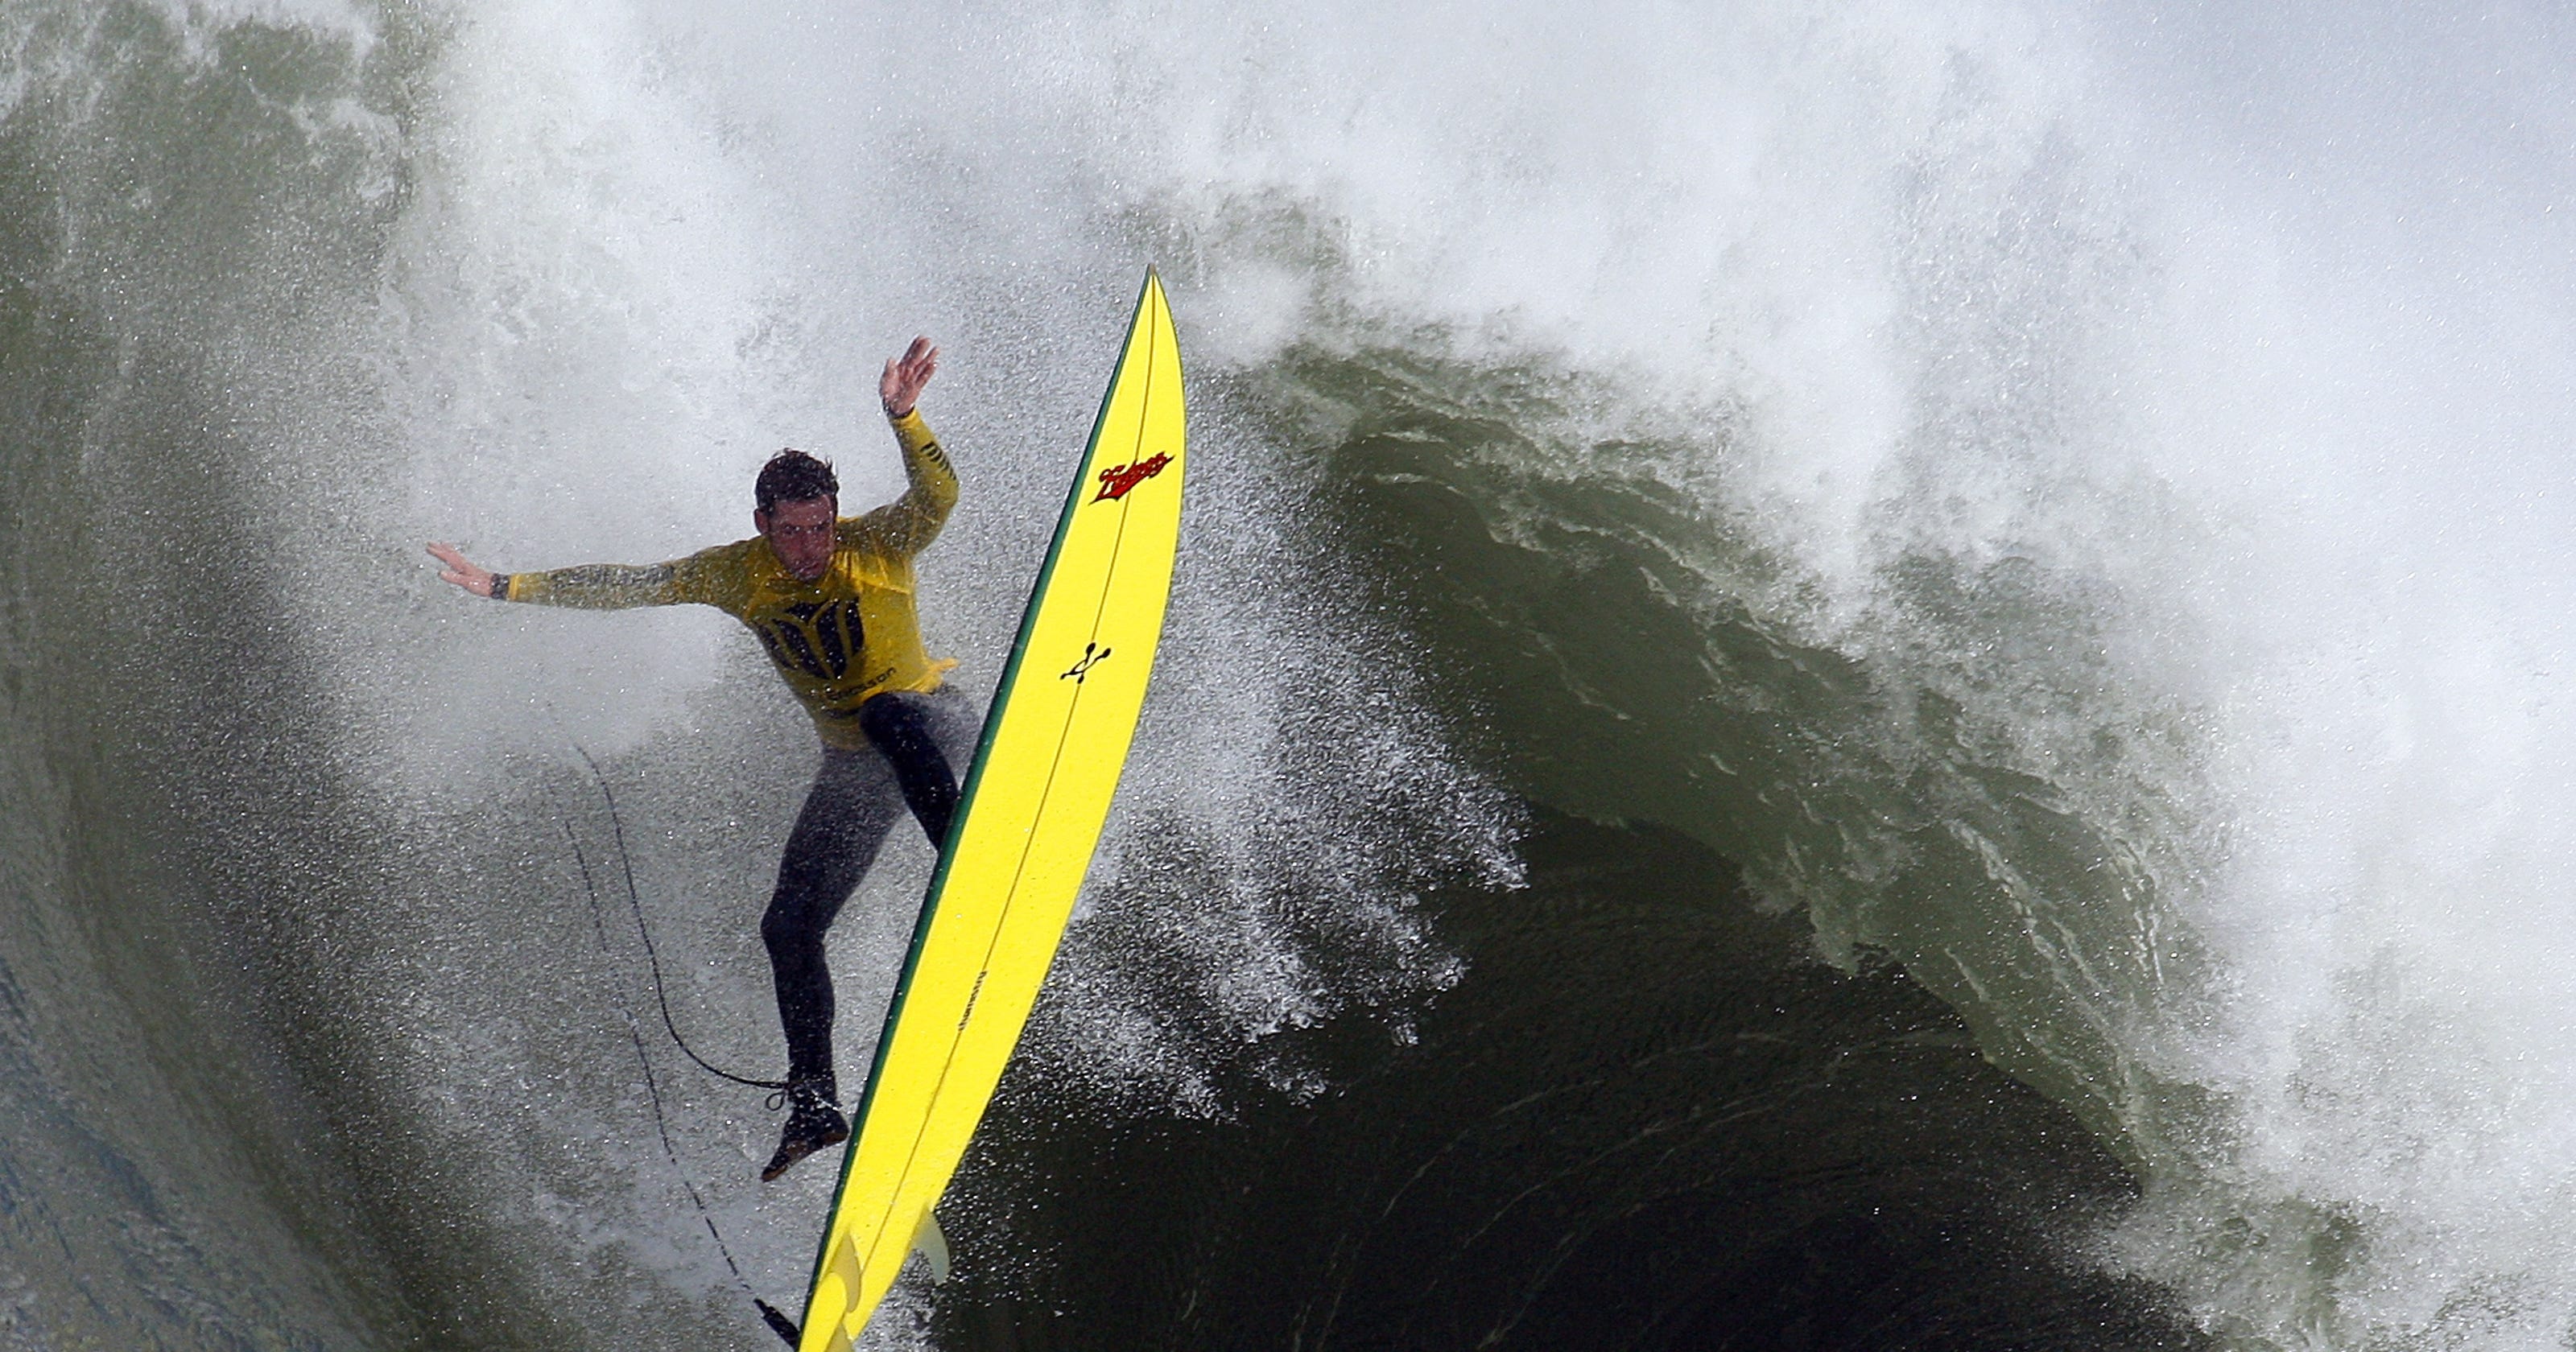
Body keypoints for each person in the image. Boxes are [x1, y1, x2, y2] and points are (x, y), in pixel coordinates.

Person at [427, 337, 970, 1181]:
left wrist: (903, 416)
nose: (809, 547)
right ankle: (815, 1104)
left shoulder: (879, 543)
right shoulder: (737, 574)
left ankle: (967, 864)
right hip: (859, 771)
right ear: (763, 526)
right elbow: (628, 584)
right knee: (786, 926)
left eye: (819, 526)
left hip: (934, 727)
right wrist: (502, 585)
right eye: (791, 532)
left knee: (886, 710)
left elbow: (939, 495)